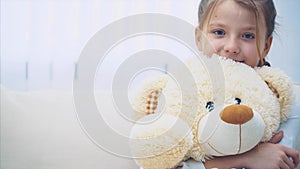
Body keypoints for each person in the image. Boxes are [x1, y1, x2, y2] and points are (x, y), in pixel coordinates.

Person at [187, 0, 300, 168]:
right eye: (219, 32)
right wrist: (246, 158)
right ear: (199, 38)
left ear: (266, 46)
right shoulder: (181, 94)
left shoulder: (287, 102)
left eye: (248, 36)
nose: (232, 47)